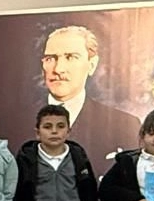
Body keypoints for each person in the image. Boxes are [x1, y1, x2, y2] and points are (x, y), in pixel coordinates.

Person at [37, 24, 143, 163]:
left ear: (91, 65)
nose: (58, 69)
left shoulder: (124, 125)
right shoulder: (16, 119)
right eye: (50, 59)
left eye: (70, 57)